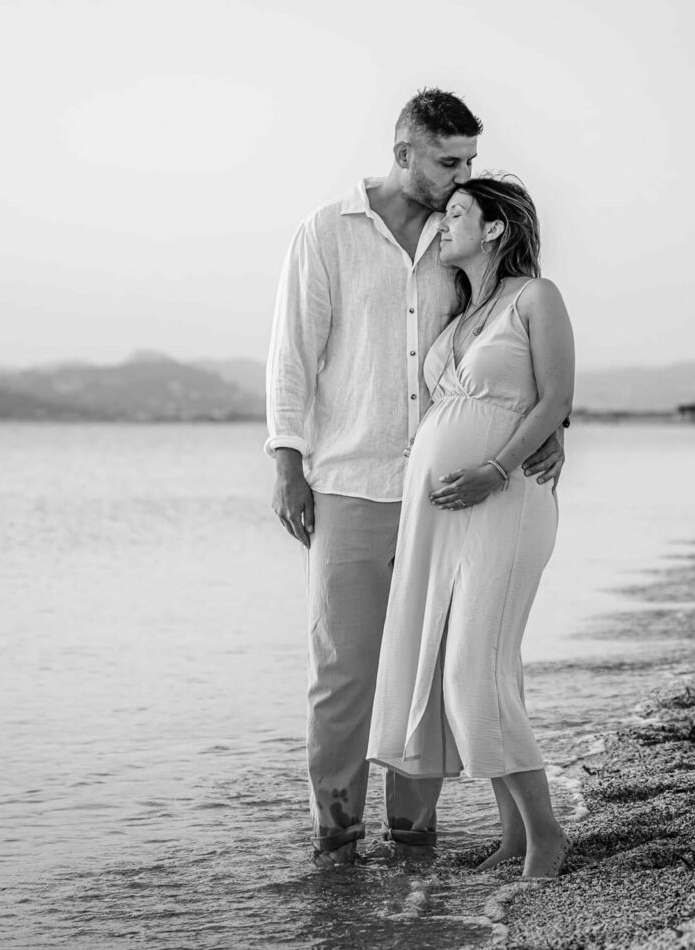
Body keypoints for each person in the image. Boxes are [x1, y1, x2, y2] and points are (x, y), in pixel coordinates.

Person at [266, 89, 564, 867]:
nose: (464, 173)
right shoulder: (325, 233)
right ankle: (336, 841)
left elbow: (516, 341)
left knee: (427, 662)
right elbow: (292, 355)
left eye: (470, 159)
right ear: (404, 155)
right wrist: (286, 461)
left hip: (443, 496)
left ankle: (413, 841)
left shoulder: (460, 234)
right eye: (448, 160)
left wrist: (553, 430)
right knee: (343, 669)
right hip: (350, 481)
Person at [367, 175, 574, 879]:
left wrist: (495, 467)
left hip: (506, 500)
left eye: (458, 213)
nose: (444, 224)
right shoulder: (461, 314)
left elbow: (555, 396)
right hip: (444, 516)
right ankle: (514, 835)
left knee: (471, 672)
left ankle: (546, 835)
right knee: (482, 668)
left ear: (494, 229)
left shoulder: (536, 297)